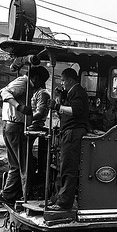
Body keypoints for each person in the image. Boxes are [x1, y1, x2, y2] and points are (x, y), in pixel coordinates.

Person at [0, 66, 50, 206]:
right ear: (35, 78)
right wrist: (18, 107)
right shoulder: (23, 82)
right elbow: (2, 94)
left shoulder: (29, 87)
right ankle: (24, 196)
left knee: (16, 166)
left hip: (12, 126)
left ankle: (7, 196)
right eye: (40, 81)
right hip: (16, 127)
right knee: (26, 166)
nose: (40, 85)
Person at [48, 68, 90, 211]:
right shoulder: (72, 93)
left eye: (63, 80)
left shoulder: (77, 92)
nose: (62, 83)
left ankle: (64, 203)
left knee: (68, 169)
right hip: (68, 132)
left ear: (70, 80)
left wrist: (58, 106)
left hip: (73, 133)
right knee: (63, 167)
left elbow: (75, 110)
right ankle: (59, 199)